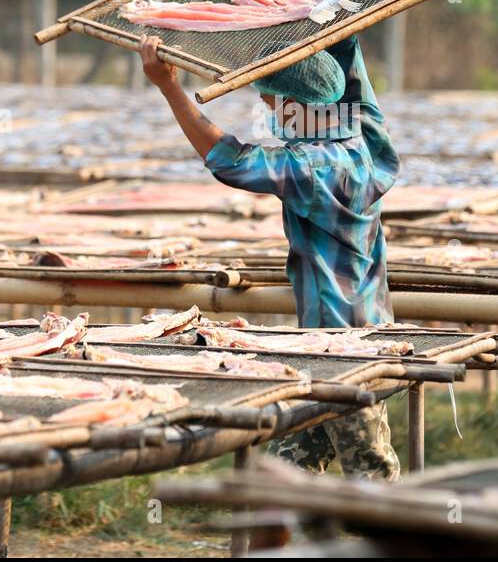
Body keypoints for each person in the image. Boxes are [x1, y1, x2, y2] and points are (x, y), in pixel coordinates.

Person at [137, 34, 401, 480]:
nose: (270, 115)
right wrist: (329, 18)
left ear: (297, 107)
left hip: (343, 350)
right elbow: (353, 70)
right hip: (345, 338)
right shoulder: (367, 143)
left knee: (371, 477)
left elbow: (231, 161)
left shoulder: (314, 167)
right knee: (282, 472)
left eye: (272, 104)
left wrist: (169, 88)